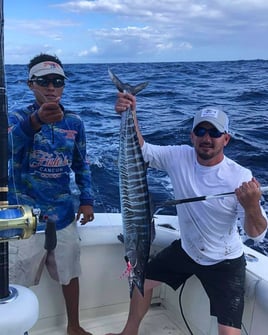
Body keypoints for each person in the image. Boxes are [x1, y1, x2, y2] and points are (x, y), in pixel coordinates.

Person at [106, 93, 268, 335]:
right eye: (200, 132)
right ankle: (128, 332)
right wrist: (130, 112)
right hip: (188, 250)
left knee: (228, 332)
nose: (206, 138)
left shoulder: (240, 176)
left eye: (214, 133)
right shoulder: (179, 156)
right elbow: (142, 150)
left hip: (225, 261)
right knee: (141, 282)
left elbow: (256, 235)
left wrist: (252, 205)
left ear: (226, 139)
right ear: (192, 136)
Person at [8, 53, 94, 335]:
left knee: (70, 275)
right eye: (44, 81)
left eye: (57, 81)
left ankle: (74, 326)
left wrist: (87, 200)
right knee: (15, 282)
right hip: (23, 218)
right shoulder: (16, 117)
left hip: (63, 216)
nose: (51, 87)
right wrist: (34, 122)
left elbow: (82, 164)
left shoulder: (75, 122)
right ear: (30, 84)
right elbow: (5, 147)